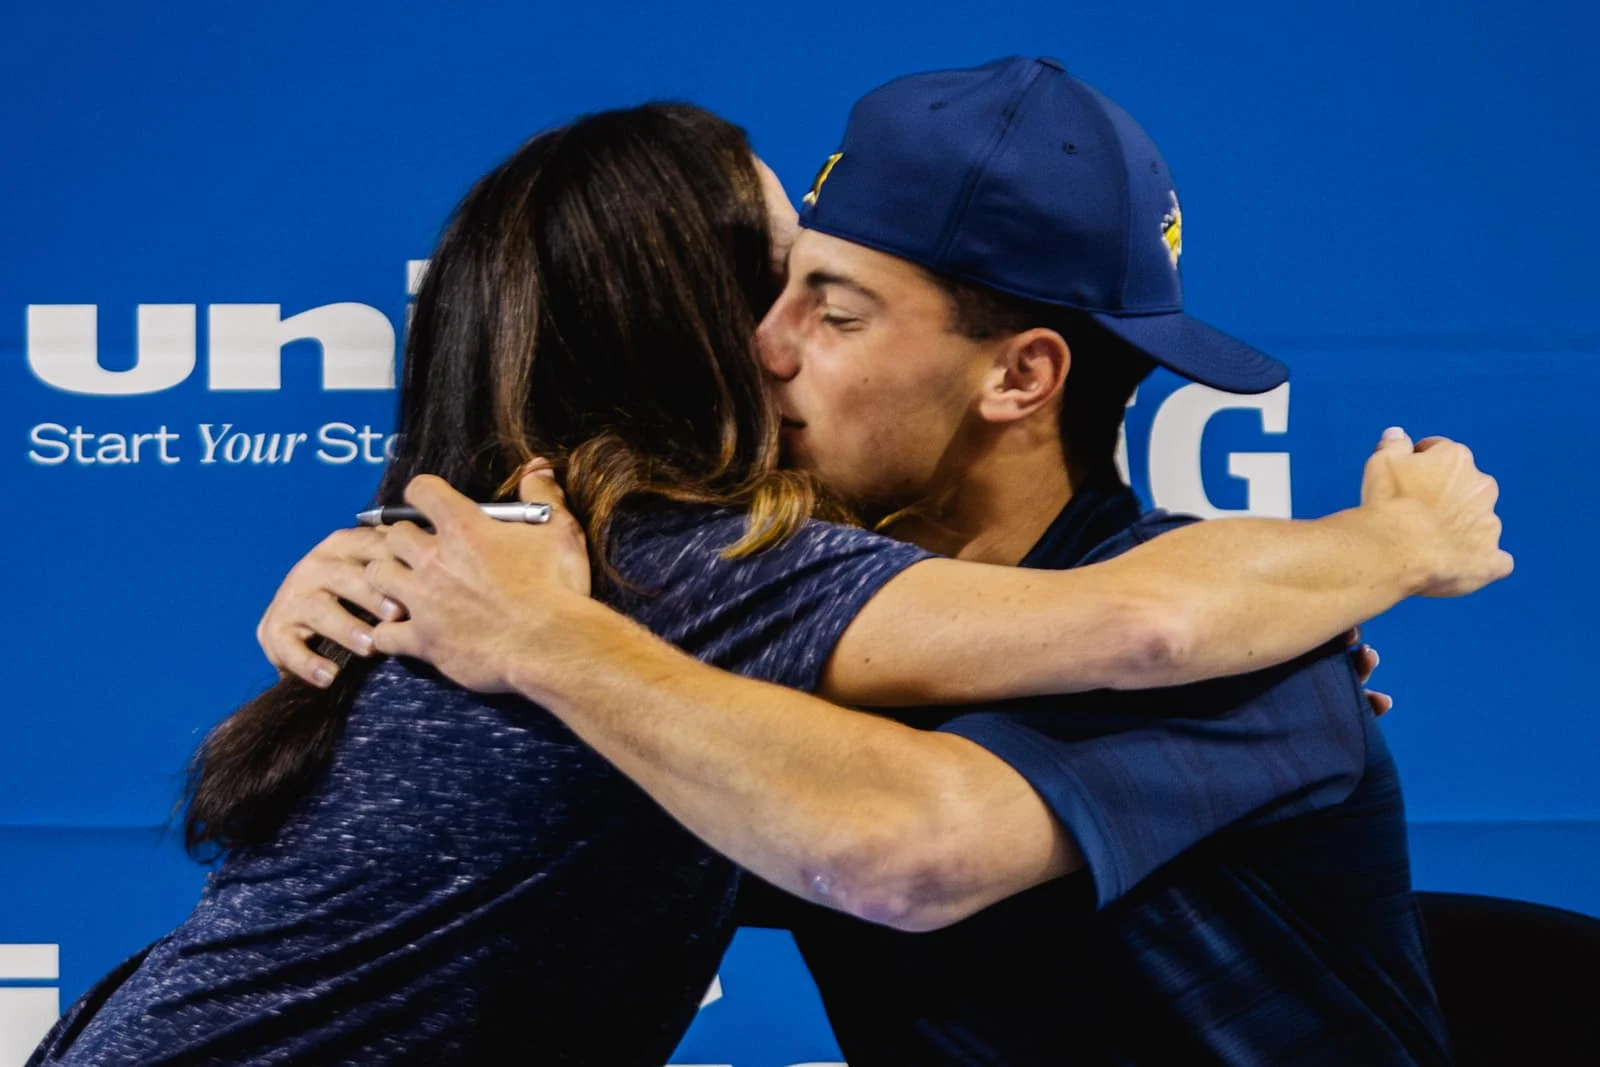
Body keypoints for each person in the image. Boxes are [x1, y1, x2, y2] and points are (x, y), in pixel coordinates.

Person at [279, 59, 1508, 1063]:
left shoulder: (1242, 648)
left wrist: (545, 640)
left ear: (1020, 375)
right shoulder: (772, 619)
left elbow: (897, 846)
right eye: (775, 292)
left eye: (835, 310)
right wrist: (381, 577)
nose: (759, 347)